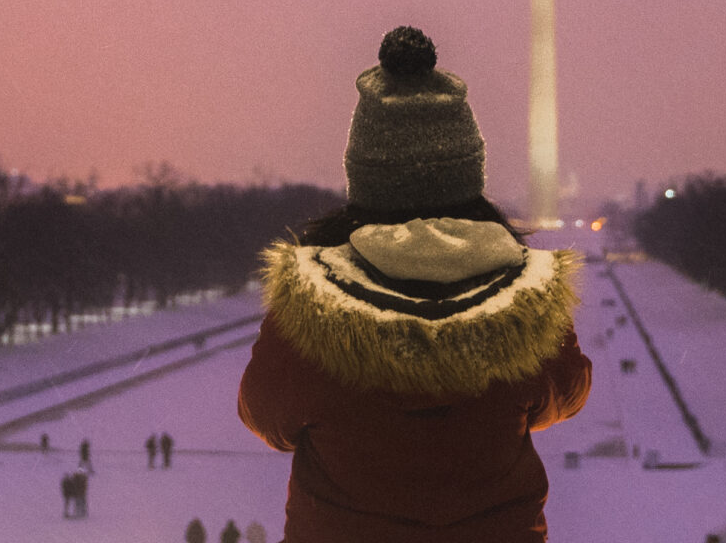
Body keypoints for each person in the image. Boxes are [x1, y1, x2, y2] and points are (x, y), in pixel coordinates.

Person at [238, 27, 591, 542]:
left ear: (363, 178)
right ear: (469, 177)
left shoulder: (310, 305)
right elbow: (567, 391)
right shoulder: (525, 297)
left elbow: (266, 417)